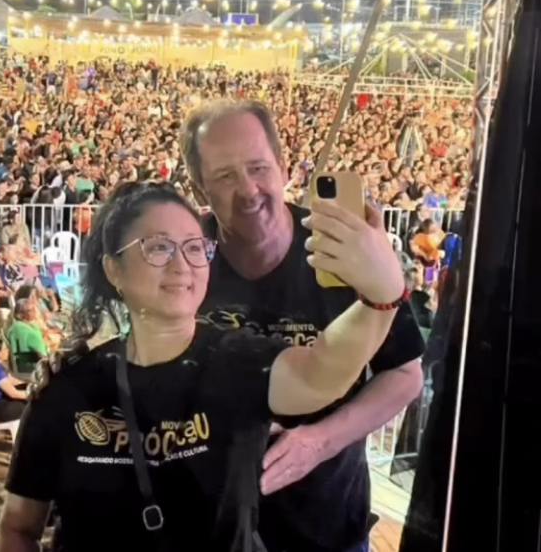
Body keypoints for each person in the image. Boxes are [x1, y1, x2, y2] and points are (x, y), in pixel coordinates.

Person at [0, 181, 405, 552]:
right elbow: (18, 527)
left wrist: (381, 294)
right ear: (113, 268)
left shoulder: (241, 361)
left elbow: (322, 372)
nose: (182, 264)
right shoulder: (67, 387)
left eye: (195, 247)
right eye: (159, 247)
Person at [180, 100, 425, 552]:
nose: (249, 190)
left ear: (284, 165)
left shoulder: (343, 249)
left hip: (328, 529)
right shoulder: (183, 260)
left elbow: (406, 375)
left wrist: (320, 442)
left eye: (258, 167)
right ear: (199, 188)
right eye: (225, 176)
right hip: (207, 528)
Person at [7, 297, 50, 375]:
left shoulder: (32, 325)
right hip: (30, 365)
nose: (35, 311)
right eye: (31, 310)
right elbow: (39, 352)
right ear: (21, 314)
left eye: (34, 309)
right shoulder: (20, 328)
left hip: (37, 360)